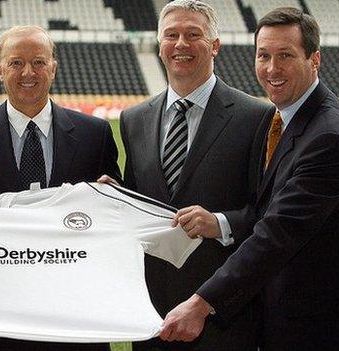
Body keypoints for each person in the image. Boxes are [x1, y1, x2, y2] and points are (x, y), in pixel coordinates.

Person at [159, 7, 339, 350]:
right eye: (263, 55)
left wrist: (201, 304)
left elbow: (276, 233)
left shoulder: (327, 136)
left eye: (285, 55)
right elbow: (261, 212)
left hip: (310, 327)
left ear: (314, 59)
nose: (272, 68)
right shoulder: (283, 120)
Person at [100, 1, 272, 350]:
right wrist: (118, 198)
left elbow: (269, 214)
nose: (181, 44)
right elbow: (143, 202)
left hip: (222, 311)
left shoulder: (257, 117)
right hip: (153, 312)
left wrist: (221, 223)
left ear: (215, 45)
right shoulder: (134, 119)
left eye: (193, 35)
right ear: (159, 44)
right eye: (171, 35)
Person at [0, 25, 120, 351]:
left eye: (38, 62)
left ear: (53, 67)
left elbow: (117, 211)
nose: (27, 72)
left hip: (76, 318)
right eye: (16, 63)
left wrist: (113, 195)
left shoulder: (95, 135)